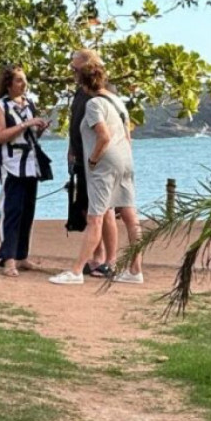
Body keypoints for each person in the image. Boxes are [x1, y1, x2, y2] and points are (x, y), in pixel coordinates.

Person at [50, 60, 144, 285]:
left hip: (104, 163)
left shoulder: (93, 104)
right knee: (131, 216)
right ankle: (135, 269)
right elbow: (127, 136)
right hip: (125, 160)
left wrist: (92, 160)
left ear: (82, 81)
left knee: (95, 217)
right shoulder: (117, 101)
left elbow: (103, 136)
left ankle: (76, 270)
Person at [0, 64, 49, 277]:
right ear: (8, 83)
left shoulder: (29, 104)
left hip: (30, 165)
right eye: (19, 80)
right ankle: (8, 258)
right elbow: (0, 136)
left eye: (24, 80)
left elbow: (30, 137)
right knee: (11, 212)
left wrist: (37, 129)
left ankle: (22, 255)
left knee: (27, 212)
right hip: (12, 166)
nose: (24, 84)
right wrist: (25, 125)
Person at [66, 49, 114, 276]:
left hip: (96, 159)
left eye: (75, 69)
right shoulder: (80, 93)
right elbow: (75, 124)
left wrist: (94, 158)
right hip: (81, 156)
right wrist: (71, 149)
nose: (73, 73)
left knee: (102, 211)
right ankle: (97, 256)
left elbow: (109, 132)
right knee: (88, 208)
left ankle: (104, 260)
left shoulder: (100, 95)